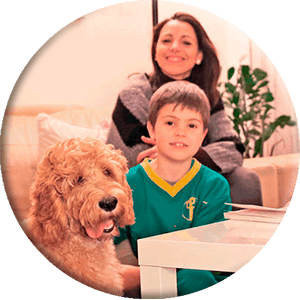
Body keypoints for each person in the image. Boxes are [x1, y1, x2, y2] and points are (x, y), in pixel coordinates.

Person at [106, 12, 262, 206]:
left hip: (197, 175)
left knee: (245, 180)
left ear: (199, 56)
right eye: (166, 40)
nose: (174, 47)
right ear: (155, 51)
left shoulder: (208, 95)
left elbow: (233, 148)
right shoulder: (134, 95)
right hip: (144, 182)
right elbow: (139, 157)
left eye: (186, 42)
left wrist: (187, 152)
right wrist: (191, 151)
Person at [115, 80, 232, 296]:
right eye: (170, 123)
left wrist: (146, 276)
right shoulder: (127, 183)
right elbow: (107, 242)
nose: (181, 132)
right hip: (149, 281)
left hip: (200, 279)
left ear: (203, 135)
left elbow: (202, 256)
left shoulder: (215, 186)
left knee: (195, 276)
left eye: (192, 125)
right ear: (151, 128)